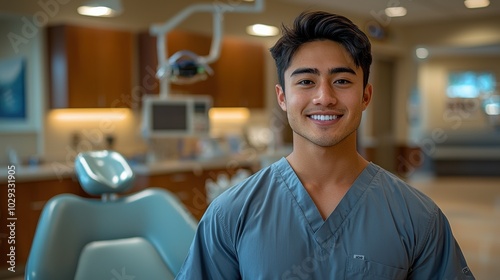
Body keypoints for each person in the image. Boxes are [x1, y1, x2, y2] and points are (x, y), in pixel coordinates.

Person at [175, 11, 475, 279]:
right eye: (306, 82)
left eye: (342, 81)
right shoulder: (231, 214)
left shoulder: (417, 217)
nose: (324, 97)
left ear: (365, 96)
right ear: (282, 97)